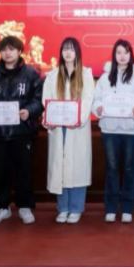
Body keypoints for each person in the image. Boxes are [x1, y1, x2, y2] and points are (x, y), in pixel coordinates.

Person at [0, 36, 43, 225]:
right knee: (1, 171)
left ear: (19, 51)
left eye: (12, 49)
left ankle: (25, 206)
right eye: (4, 50)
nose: (7, 53)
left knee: (24, 171)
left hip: (23, 132)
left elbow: (39, 100)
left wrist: (29, 111)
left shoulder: (31, 74)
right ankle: (2, 207)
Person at [92, 39, 134, 223]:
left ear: (130, 54)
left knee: (129, 168)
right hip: (109, 128)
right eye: (119, 52)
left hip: (130, 129)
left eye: (125, 52)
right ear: (114, 55)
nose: (122, 56)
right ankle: (110, 207)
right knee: (111, 168)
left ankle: (127, 208)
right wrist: (98, 108)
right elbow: (96, 99)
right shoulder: (105, 78)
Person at [42, 37, 95, 224]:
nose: (68, 52)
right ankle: (62, 207)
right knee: (60, 167)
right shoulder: (52, 75)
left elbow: (87, 100)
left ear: (77, 52)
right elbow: (46, 100)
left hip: (77, 128)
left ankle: (76, 208)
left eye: (71, 49)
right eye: (65, 49)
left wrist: (78, 120)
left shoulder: (86, 75)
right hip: (58, 128)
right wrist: (49, 118)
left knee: (77, 168)